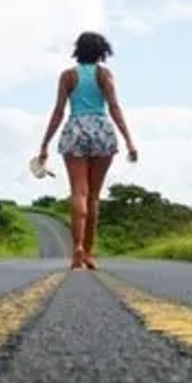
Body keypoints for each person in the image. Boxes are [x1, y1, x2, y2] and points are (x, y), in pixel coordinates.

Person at [36, 30, 138, 270]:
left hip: (76, 129)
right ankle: (89, 252)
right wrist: (129, 141)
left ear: (78, 50)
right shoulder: (104, 75)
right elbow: (114, 108)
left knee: (78, 193)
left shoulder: (68, 76)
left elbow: (58, 112)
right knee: (93, 196)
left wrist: (44, 145)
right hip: (101, 129)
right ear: (102, 52)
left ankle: (77, 249)